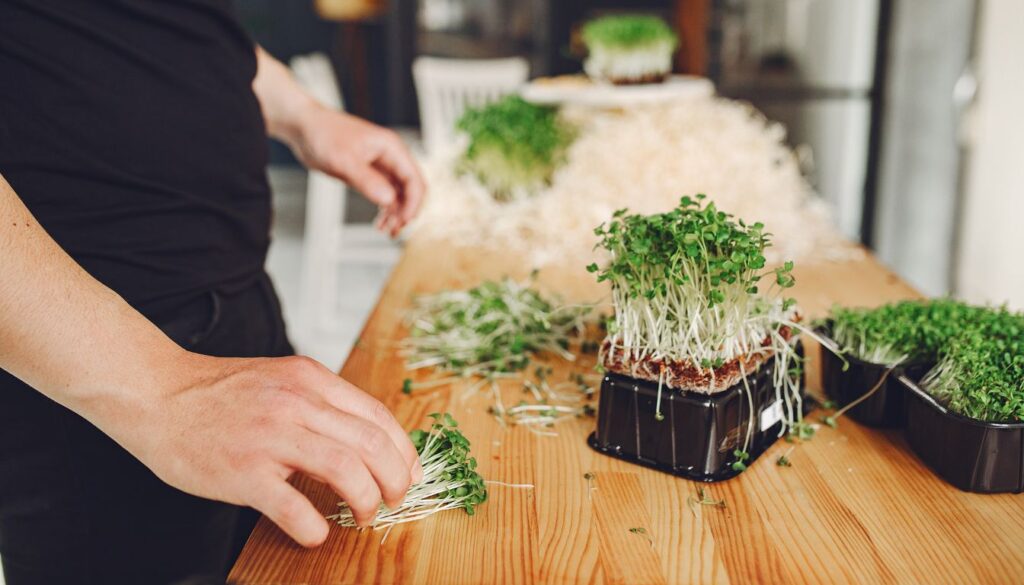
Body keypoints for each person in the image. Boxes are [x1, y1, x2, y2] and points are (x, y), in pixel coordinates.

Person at [0, 1, 427, 583]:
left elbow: (188, 26)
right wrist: (159, 387)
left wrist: (304, 115)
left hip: (242, 314)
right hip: (92, 383)